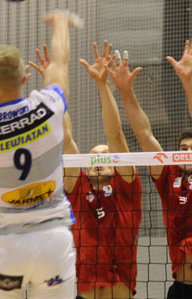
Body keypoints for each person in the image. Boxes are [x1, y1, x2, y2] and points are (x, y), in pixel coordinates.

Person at [0, 10, 79, 298]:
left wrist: (11, 200)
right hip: (54, 243)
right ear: (25, 78)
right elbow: (60, 64)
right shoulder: (49, 106)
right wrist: (60, 23)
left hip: (9, 248)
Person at [109, 40, 192, 299]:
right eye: (183, 148)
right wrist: (125, 91)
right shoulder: (169, 176)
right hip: (180, 289)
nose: (189, 152)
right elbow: (144, 134)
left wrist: (187, 81)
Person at [30, 41, 142, 299]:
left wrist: (102, 84)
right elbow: (66, 139)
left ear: (115, 164)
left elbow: (116, 135)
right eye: (92, 158)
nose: (98, 161)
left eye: (105, 156)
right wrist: (52, 87)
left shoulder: (127, 188)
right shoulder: (77, 187)